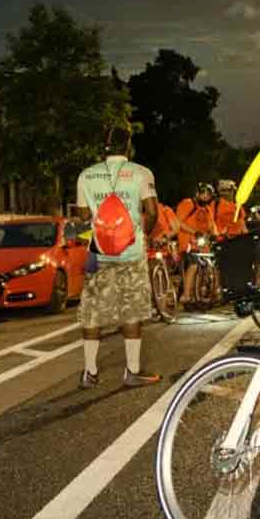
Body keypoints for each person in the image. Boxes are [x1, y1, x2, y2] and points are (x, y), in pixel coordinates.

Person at [72, 124, 161, 389]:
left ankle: (90, 372)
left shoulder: (86, 176)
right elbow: (153, 211)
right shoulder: (141, 174)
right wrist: (143, 232)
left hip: (99, 254)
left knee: (92, 314)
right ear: (128, 146)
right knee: (131, 310)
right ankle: (132, 371)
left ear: (104, 147)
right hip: (131, 253)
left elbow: (84, 216)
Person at [177, 183, 221, 306]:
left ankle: (213, 291)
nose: (207, 197)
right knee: (194, 264)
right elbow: (178, 221)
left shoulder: (207, 209)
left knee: (212, 263)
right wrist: (193, 232)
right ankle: (186, 294)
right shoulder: (188, 204)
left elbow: (212, 225)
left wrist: (216, 235)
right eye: (204, 194)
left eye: (209, 195)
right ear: (197, 194)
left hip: (202, 243)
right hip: (188, 241)